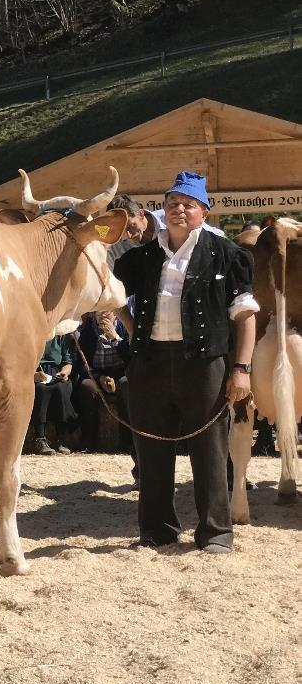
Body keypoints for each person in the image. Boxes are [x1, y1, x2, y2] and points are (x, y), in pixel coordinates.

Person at [113, 171, 257, 554]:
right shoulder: (139, 258)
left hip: (205, 363)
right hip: (150, 362)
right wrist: (131, 332)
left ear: (204, 213)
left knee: (209, 448)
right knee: (150, 449)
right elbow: (109, 296)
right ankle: (157, 531)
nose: (179, 209)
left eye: (189, 204)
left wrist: (241, 370)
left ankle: (215, 534)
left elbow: (245, 315)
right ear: (163, 208)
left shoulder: (227, 253)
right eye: (173, 202)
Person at [74, 310, 132, 453]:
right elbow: (82, 364)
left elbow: (131, 359)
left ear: (115, 314)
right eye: (99, 314)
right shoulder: (89, 332)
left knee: (125, 384)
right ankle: (90, 442)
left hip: (121, 372)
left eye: (106, 313)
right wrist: (99, 377)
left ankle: (127, 443)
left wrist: (114, 338)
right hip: (96, 373)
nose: (102, 317)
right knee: (87, 388)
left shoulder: (124, 328)